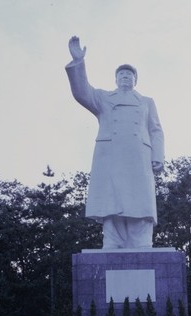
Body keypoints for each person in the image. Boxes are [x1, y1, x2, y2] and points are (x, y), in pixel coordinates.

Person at [65, 36, 165, 249]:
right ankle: (113, 241)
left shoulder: (146, 102)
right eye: (122, 74)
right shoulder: (103, 98)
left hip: (139, 156)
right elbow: (82, 92)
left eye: (129, 75)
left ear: (135, 80)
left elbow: (155, 129)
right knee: (112, 200)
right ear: (116, 79)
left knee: (140, 201)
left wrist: (158, 155)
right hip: (111, 155)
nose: (125, 77)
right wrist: (78, 62)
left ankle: (141, 242)